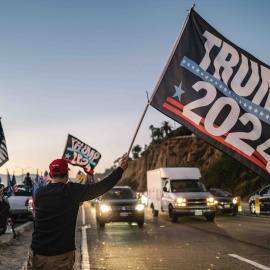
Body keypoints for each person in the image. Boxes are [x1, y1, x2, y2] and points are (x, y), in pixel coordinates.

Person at [22, 156, 129, 270]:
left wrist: (73, 203)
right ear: (67, 175)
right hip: (59, 258)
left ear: (50, 174)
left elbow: (54, 205)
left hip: (36, 255)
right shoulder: (71, 191)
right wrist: (120, 169)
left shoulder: (39, 193)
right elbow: (100, 187)